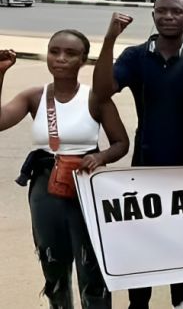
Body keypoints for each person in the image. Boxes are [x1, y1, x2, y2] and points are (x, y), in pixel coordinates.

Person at [0, 30, 129, 308]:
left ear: (83, 60)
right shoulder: (35, 96)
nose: (60, 59)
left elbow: (121, 143)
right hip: (45, 188)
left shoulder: (96, 97)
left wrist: (102, 156)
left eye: (70, 54)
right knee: (53, 261)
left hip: (85, 186)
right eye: (54, 51)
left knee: (90, 262)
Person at [92, 0, 183, 309]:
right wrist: (110, 39)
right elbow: (102, 92)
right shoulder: (135, 56)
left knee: (182, 231)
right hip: (147, 160)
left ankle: (182, 296)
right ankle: (138, 301)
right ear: (153, 16)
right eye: (162, 11)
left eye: (177, 12)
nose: (169, 17)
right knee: (145, 234)